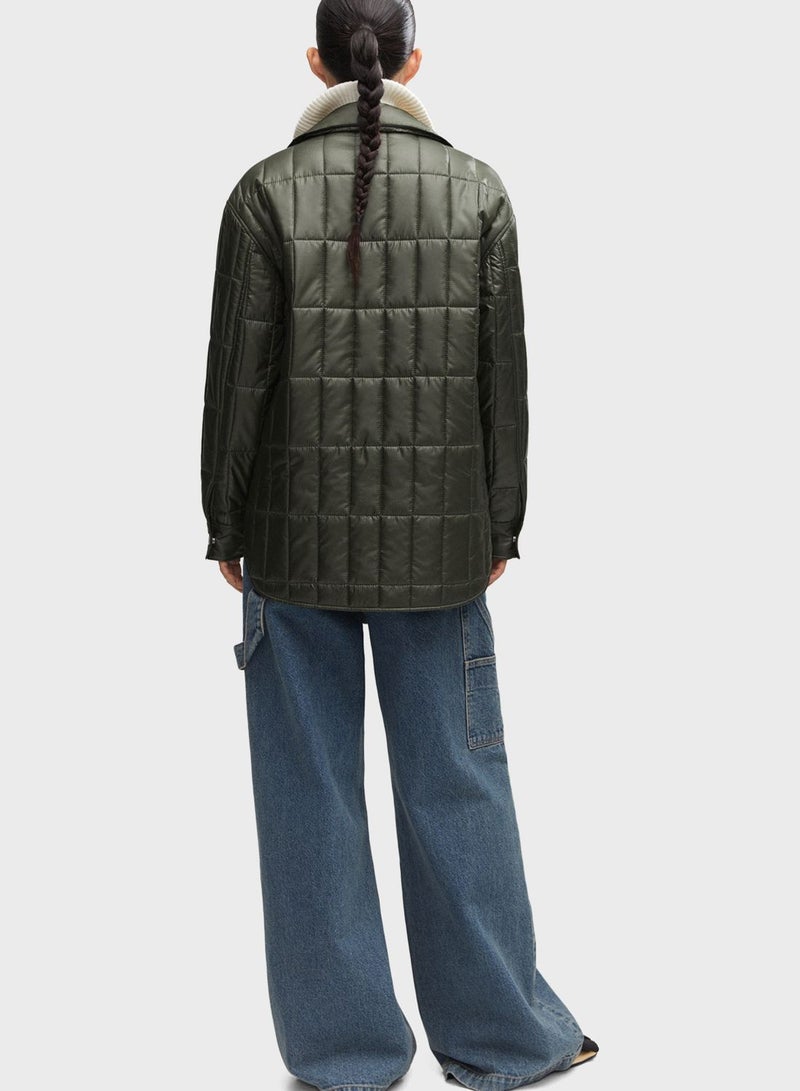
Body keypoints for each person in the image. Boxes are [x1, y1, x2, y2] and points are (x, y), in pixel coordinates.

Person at [200, 2, 599, 1088]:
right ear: (415, 60)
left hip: (290, 546)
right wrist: (500, 522)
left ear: (314, 60)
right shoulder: (478, 190)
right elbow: (503, 381)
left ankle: (345, 1055)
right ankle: (505, 1039)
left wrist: (223, 523)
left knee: (308, 794)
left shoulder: (262, 193)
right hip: (442, 544)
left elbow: (234, 379)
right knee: (457, 784)